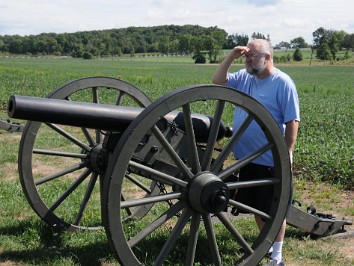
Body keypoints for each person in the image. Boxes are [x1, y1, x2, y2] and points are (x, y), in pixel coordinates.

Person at [213, 39, 300, 266]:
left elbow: (292, 121)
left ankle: (277, 256)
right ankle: (267, 243)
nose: (248, 60)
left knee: (273, 209)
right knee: (257, 207)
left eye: (252, 56)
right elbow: (218, 81)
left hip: (271, 158)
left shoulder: (282, 83)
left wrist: (286, 152)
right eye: (246, 57)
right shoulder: (245, 77)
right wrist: (231, 56)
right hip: (247, 158)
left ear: (267, 57)